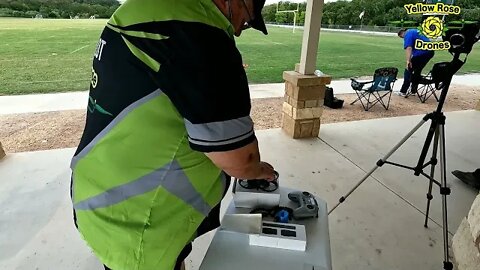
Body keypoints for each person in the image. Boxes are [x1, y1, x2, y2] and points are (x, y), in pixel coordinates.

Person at [69, 0, 275, 269]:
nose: (238, 31)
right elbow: (241, 161)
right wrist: (261, 170)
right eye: (246, 20)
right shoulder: (201, 35)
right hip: (142, 225)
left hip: (100, 197)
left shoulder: (142, 9)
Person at [396, 28, 435, 97]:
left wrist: (408, 61)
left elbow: (409, 48)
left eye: (402, 37)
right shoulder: (415, 31)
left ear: (402, 33)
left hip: (422, 52)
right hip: (430, 52)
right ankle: (413, 90)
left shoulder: (408, 34)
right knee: (418, 70)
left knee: (408, 69)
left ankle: (403, 91)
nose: (403, 39)